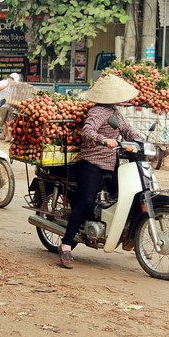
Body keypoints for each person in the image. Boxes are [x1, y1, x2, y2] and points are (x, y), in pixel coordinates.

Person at [58, 74, 141, 269]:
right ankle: (66, 244)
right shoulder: (98, 112)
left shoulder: (116, 112)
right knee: (86, 201)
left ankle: (131, 238)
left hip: (110, 163)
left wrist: (142, 139)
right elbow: (87, 131)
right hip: (90, 162)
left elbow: (128, 130)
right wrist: (103, 140)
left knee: (127, 197)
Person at [0, 73, 19, 141]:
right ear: (11, 78)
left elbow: (14, 96)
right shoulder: (2, 83)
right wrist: (7, 85)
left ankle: (6, 136)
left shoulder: (14, 87)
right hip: (2, 105)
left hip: (9, 105)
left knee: (8, 122)